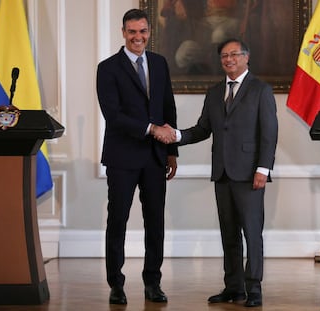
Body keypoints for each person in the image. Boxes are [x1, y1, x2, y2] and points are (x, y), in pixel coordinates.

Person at [158, 38, 278, 307]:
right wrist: (176, 135)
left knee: (252, 232)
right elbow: (202, 130)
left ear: (246, 58)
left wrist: (263, 168)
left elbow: (269, 133)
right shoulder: (214, 92)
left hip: (249, 174)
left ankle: (254, 288)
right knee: (229, 233)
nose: (229, 60)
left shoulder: (261, 90)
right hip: (222, 173)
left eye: (234, 54)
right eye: (224, 56)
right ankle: (233, 287)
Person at [96, 8, 178, 305]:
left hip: (156, 158)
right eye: (132, 32)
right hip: (122, 157)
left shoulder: (159, 63)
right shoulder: (107, 68)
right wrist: (151, 129)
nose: (138, 37)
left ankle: (152, 283)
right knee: (117, 221)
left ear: (149, 32)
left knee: (155, 222)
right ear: (123, 33)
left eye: (142, 31)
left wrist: (171, 151)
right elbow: (113, 115)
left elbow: (168, 106)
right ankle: (116, 285)